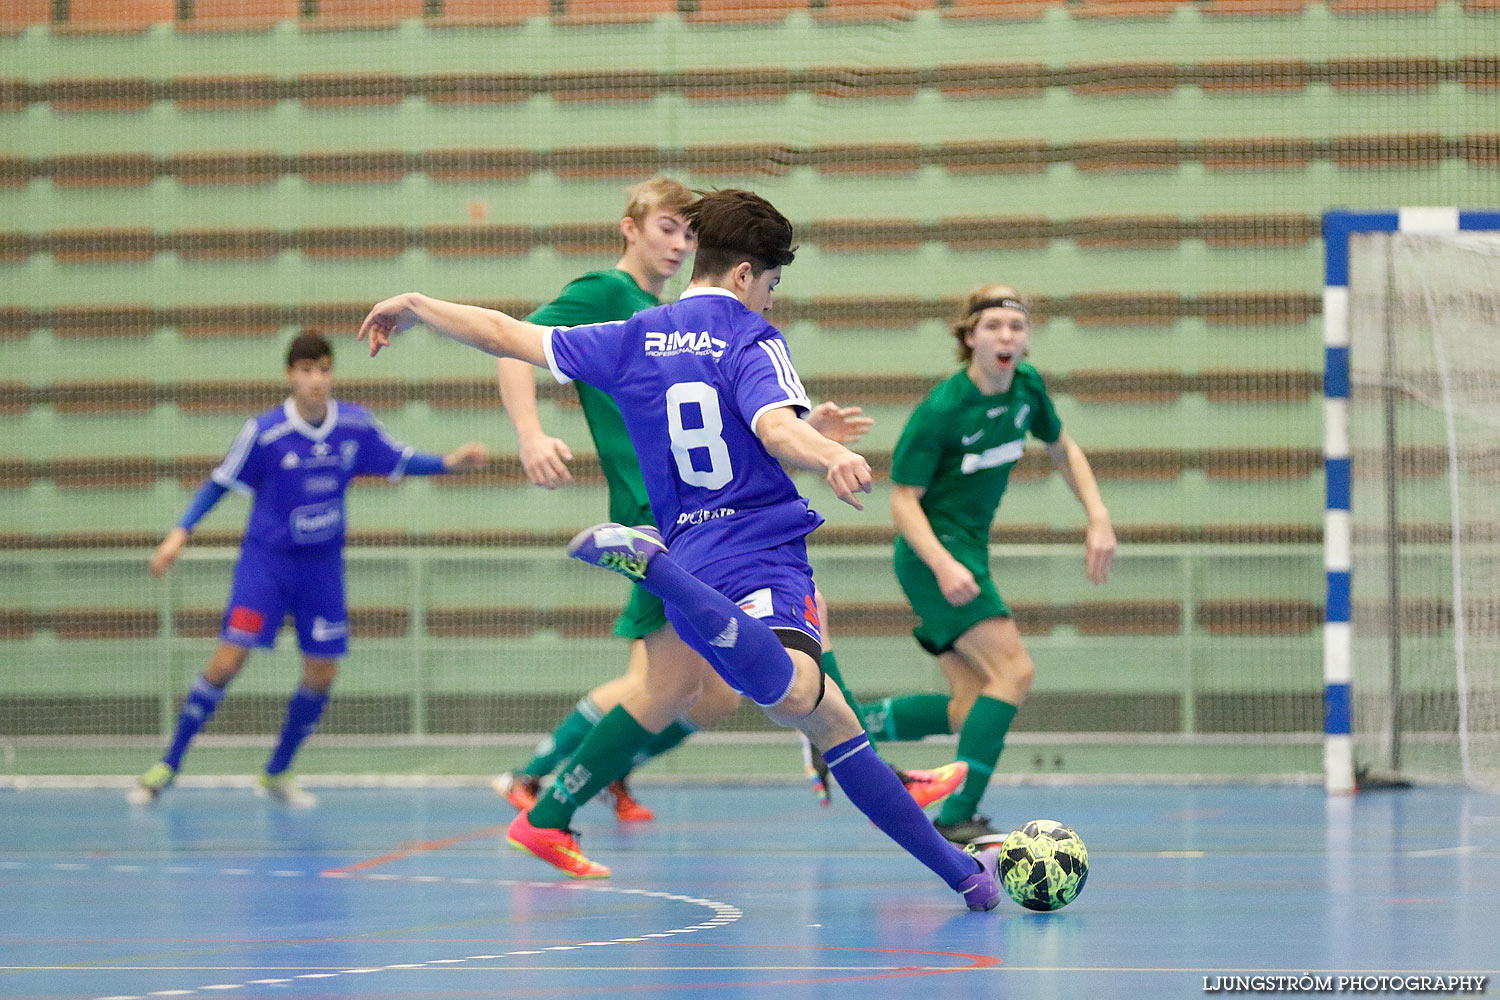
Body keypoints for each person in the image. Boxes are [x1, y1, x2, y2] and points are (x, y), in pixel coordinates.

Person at [357, 189, 1004, 911]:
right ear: (742, 275)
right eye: (771, 284)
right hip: (755, 554)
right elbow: (771, 426)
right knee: (795, 694)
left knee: (829, 724)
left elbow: (507, 335)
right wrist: (824, 452)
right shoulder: (752, 338)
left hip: (692, 556)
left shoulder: (635, 333)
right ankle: (648, 569)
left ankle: (963, 875)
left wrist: (416, 302)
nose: (770, 300)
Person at [492, 178, 960, 821]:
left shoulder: (678, 317)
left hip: (694, 509)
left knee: (704, 695)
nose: (679, 242)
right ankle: (546, 793)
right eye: (666, 227)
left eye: (689, 231)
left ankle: (571, 783)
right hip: (664, 516)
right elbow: (515, 344)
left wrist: (801, 430)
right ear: (629, 227)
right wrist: (531, 434)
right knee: (690, 675)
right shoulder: (610, 298)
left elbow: (728, 419)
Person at [130, 330, 488, 806]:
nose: (315, 379)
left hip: (321, 570)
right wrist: (180, 533)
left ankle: (276, 772)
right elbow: (219, 483)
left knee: (322, 672)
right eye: (305, 370)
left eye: (323, 369)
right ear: (290, 376)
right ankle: (169, 764)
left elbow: (400, 460)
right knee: (227, 660)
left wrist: (449, 462)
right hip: (266, 567)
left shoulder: (355, 427)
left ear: (332, 373)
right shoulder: (265, 432)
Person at [884, 284, 1117, 843]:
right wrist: (942, 564)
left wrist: (1098, 515)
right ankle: (956, 816)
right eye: (992, 327)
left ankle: (845, 734)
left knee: (971, 706)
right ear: (970, 338)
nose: (1006, 336)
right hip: (933, 555)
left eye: (1016, 327)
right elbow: (901, 499)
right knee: (1014, 672)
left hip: (968, 551)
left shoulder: (1027, 389)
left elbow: (1062, 448)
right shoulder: (943, 408)